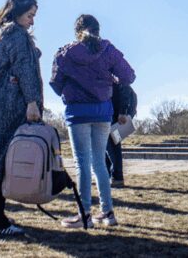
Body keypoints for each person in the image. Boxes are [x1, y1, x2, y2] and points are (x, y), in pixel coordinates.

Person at [50, 14, 135, 228]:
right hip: (102, 111)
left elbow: (55, 82)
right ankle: (107, 212)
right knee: (99, 163)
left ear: (77, 31)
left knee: (82, 163)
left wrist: (69, 91)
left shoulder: (66, 53)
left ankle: (84, 213)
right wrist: (111, 81)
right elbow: (129, 76)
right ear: (98, 29)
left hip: (78, 111)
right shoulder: (108, 51)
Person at [0, 0, 42, 236]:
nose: (32, 20)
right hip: (10, 103)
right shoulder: (16, 33)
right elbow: (24, 68)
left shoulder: (1, 31)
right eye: (30, 14)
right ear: (18, 13)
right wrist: (32, 102)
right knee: (3, 160)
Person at [105, 83, 136, 188]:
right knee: (108, 147)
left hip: (114, 117)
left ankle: (117, 177)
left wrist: (122, 112)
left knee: (112, 147)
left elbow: (126, 93)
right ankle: (110, 176)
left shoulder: (117, 77)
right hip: (110, 115)